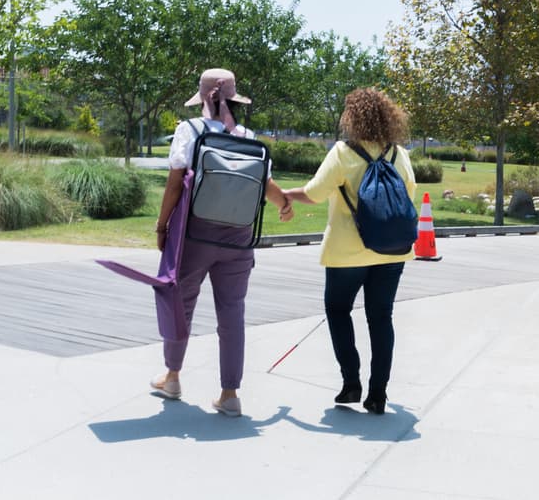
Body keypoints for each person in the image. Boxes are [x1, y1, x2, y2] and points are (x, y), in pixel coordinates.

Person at [149, 68, 292, 417]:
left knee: (180, 304)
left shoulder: (190, 130)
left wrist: (161, 224)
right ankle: (230, 395)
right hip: (239, 239)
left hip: (194, 236)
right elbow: (266, 183)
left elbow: (174, 182)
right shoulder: (247, 136)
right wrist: (284, 203)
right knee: (232, 314)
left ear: (202, 99)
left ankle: (172, 376)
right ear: (234, 100)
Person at [281, 87, 415, 414]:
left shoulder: (343, 152)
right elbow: (409, 194)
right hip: (392, 252)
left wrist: (284, 194)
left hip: (347, 252)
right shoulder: (400, 154)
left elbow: (314, 193)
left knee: (339, 311)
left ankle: (351, 383)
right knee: (381, 318)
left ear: (351, 117)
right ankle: (378, 394)